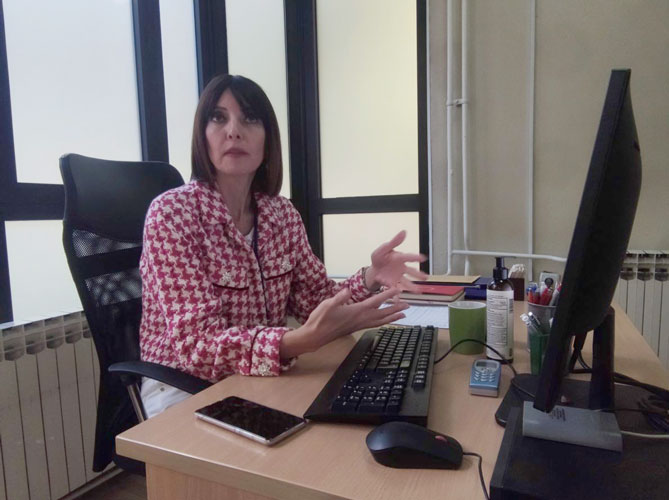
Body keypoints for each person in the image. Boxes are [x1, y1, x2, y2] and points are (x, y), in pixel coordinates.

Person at [139, 74, 426, 417]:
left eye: (249, 118)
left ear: (268, 139)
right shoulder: (172, 214)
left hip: (261, 374)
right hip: (183, 385)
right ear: (202, 135)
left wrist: (371, 276)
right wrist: (297, 342)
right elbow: (197, 345)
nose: (234, 131)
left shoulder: (281, 214)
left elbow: (316, 302)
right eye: (218, 117)